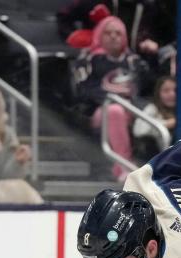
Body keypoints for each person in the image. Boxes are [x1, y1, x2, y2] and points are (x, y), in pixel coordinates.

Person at [71, 14, 152, 182]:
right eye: (108, 33)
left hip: (133, 110)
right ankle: (124, 165)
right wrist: (113, 99)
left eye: (118, 33)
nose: (114, 36)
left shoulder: (134, 61)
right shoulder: (89, 59)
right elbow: (83, 89)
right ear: (100, 35)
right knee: (115, 111)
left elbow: (149, 87)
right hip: (100, 111)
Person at [133, 75, 176, 161]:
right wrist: (166, 124)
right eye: (166, 91)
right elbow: (138, 130)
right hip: (157, 158)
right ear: (158, 93)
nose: (172, 94)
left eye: (175, 90)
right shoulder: (152, 108)